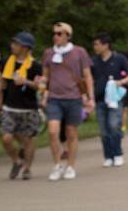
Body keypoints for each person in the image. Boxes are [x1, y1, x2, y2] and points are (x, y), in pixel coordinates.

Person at [39, 22, 94, 181]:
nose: (55, 36)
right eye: (54, 33)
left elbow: (87, 75)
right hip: (54, 98)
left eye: (59, 33)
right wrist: (42, 90)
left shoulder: (79, 52)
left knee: (71, 133)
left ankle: (70, 166)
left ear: (68, 36)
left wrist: (90, 98)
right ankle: (57, 165)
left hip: (74, 98)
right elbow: (46, 77)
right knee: (52, 132)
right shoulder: (48, 53)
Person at [0, 32, 42, 180]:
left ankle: (27, 168)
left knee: (28, 140)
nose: (12, 46)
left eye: (16, 44)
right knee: (6, 138)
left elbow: (41, 86)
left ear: (25, 48)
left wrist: (26, 82)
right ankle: (17, 161)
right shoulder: (6, 62)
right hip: (9, 107)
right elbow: (3, 82)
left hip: (28, 108)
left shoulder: (35, 66)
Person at [90, 33, 128, 168]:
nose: (95, 47)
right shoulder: (94, 61)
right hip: (99, 99)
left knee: (114, 125)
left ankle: (118, 154)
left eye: (97, 44)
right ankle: (108, 156)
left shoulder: (119, 58)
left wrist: (121, 82)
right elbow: (89, 79)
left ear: (105, 45)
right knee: (104, 129)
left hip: (115, 98)